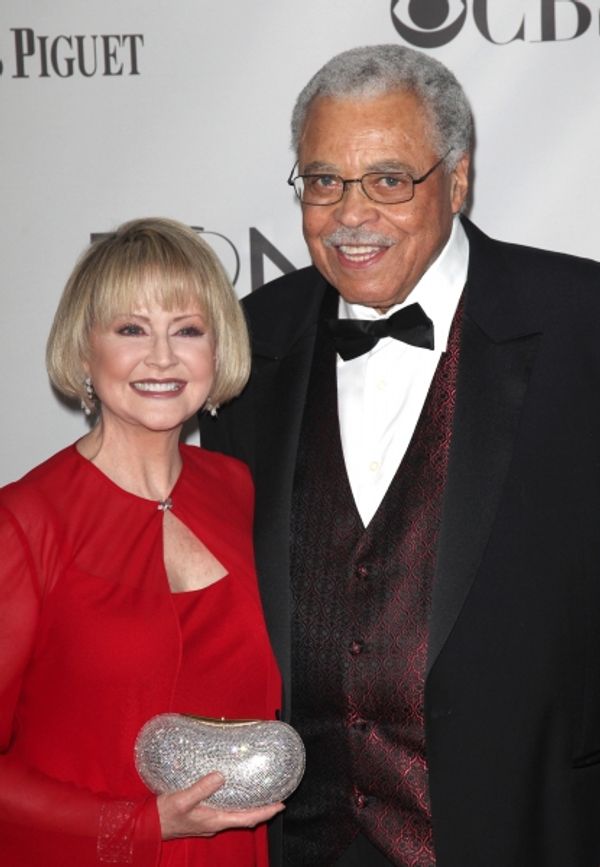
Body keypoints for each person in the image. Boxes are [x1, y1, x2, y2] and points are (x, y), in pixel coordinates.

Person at [200, 44, 600, 867]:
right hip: (299, 836)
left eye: (389, 179)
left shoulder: (583, 323)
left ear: (456, 179)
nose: (351, 214)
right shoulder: (247, 342)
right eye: (323, 181)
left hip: (525, 826)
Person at [0, 217, 285, 866]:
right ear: (83, 350)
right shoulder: (25, 522)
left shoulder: (236, 489)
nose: (162, 357)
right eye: (131, 329)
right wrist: (137, 824)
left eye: (187, 329)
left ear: (218, 350)